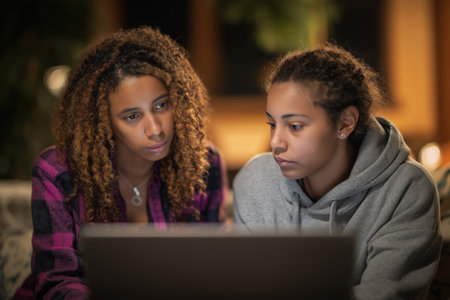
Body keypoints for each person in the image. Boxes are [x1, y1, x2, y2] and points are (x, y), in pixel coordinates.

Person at [13, 26, 227, 299]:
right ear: (103, 121)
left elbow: (208, 268)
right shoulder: (57, 173)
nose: (155, 129)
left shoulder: (204, 163)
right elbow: (58, 280)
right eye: (132, 116)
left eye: (161, 105)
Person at [233, 44, 442, 299]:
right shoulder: (256, 182)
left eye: (295, 126)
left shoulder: (407, 189)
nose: (276, 142)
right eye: (272, 123)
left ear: (345, 123)